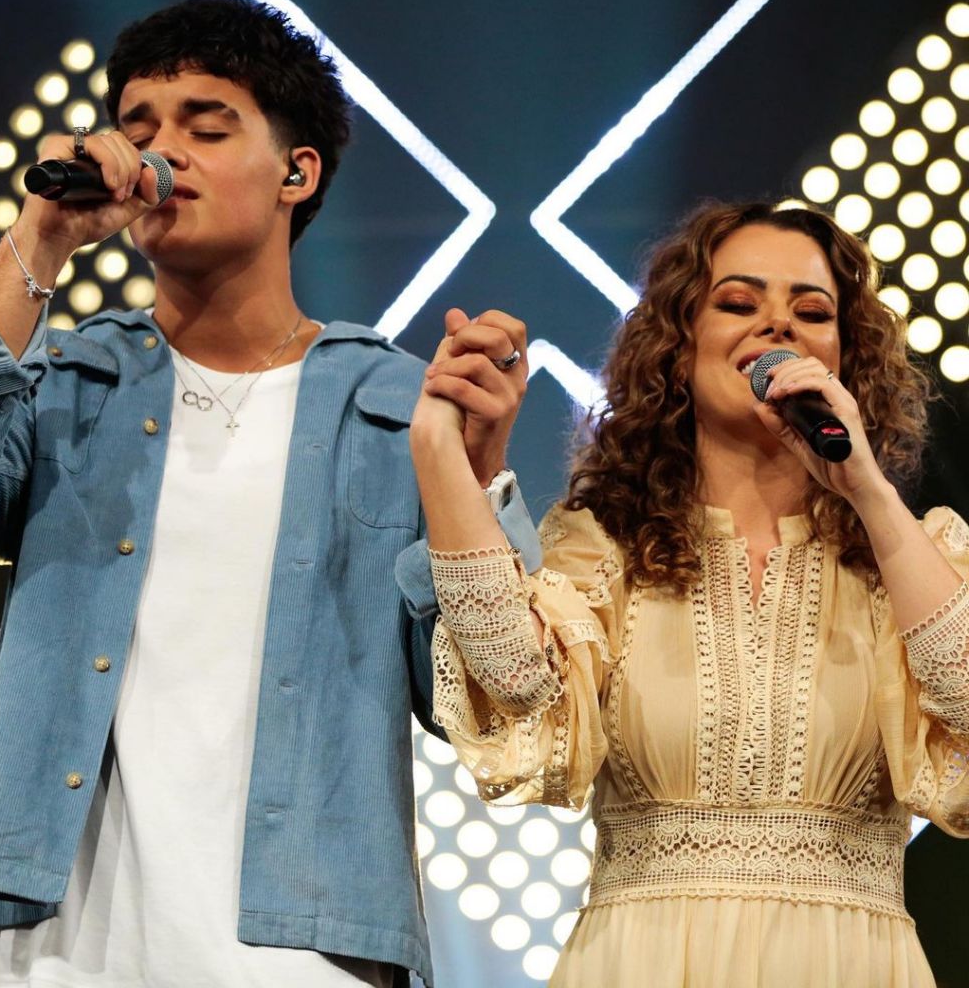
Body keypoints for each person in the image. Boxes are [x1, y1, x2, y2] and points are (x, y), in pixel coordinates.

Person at [0, 0, 535, 988]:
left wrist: (472, 473)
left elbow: (489, 703)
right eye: (138, 128)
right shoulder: (68, 386)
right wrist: (38, 240)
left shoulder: (398, 406)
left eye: (205, 127)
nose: (160, 154)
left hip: (303, 951)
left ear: (296, 172)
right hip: (55, 953)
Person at [410, 201, 969, 987]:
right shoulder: (604, 547)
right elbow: (516, 682)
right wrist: (444, 452)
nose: (777, 325)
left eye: (812, 313)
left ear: (848, 361)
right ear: (679, 349)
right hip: (642, 959)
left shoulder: (911, 556)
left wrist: (868, 491)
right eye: (738, 303)